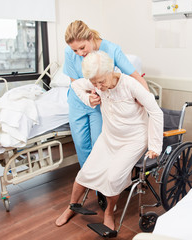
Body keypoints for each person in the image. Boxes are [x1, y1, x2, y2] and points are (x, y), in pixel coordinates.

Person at [55, 51, 163, 230]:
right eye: (94, 83)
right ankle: (71, 207)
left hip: (133, 139)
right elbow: (76, 86)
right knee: (86, 172)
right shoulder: (95, 82)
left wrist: (155, 145)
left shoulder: (130, 85)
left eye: (101, 82)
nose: (98, 86)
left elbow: (156, 112)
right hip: (109, 136)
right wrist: (88, 98)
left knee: (113, 178)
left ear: (111, 71)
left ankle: (109, 213)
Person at [63, 20, 148, 167]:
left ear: (90, 37)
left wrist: (146, 99)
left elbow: (136, 76)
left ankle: (101, 186)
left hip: (100, 104)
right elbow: (74, 82)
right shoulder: (69, 52)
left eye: (82, 48)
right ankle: (88, 181)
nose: (79, 53)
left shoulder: (111, 49)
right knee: (81, 146)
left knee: (100, 145)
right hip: (77, 102)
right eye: (75, 50)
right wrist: (87, 96)